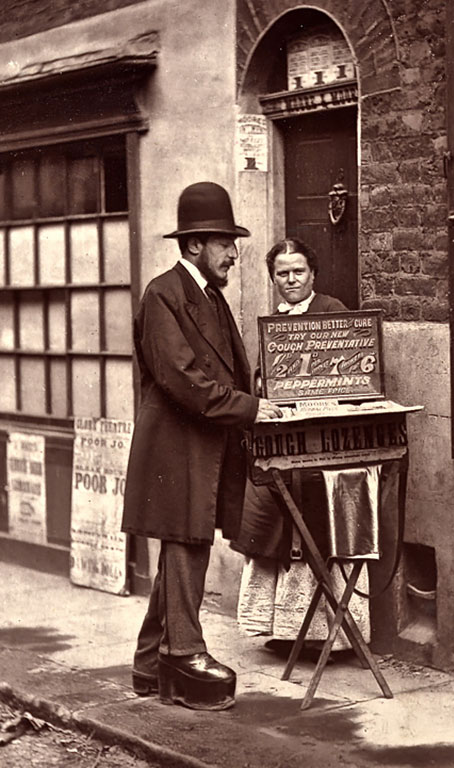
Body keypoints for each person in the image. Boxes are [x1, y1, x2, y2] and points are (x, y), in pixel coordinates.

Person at [121, 182, 281, 712]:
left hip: (203, 447)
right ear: (194, 246)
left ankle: (150, 665)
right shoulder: (164, 293)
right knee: (185, 544)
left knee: (183, 546)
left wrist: (260, 402)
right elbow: (183, 380)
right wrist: (253, 409)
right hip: (177, 447)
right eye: (224, 243)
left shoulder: (209, 297)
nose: (235, 253)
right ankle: (183, 653)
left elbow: (228, 371)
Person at [232, 237, 371, 657]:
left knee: (322, 530)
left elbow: (356, 371)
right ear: (272, 278)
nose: (290, 280)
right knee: (279, 526)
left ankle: (333, 634)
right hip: (285, 442)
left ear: (313, 274)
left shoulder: (333, 312)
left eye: (298, 272)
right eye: (282, 274)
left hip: (325, 445)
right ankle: (287, 631)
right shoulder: (273, 322)